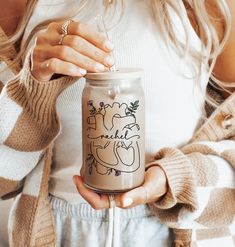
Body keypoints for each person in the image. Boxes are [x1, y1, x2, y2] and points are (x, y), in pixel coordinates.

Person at [0, 0, 235, 246]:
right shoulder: (17, 7)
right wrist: (32, 90)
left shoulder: (210, 7)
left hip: (174, 233)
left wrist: (176, 179)